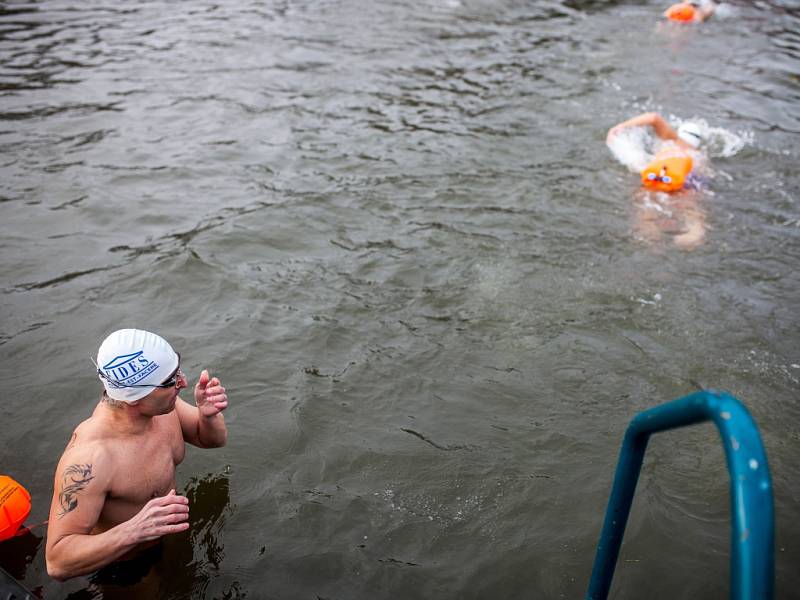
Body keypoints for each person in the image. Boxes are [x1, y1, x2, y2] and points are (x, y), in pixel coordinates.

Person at [45, 328, 229, 582]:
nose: (183, 383)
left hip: (169, 530)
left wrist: (208, 415)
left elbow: (212, 440)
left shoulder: (162, 409)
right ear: (133, 398)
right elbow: (57, 562)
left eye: (177, 371)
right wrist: (135, 530)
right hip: (124, 562)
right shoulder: (90, 459)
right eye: (170, 381)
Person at [607, 112, 710, 249]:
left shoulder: (669, 140)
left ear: (679, 133)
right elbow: (704, 176)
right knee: (691, 209)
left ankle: (649, 238)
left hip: (657, 178)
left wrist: (619, 127)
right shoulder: (699, 156)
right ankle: (694, 234)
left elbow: (654, 117)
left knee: (646, 204)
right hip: (686, 181)